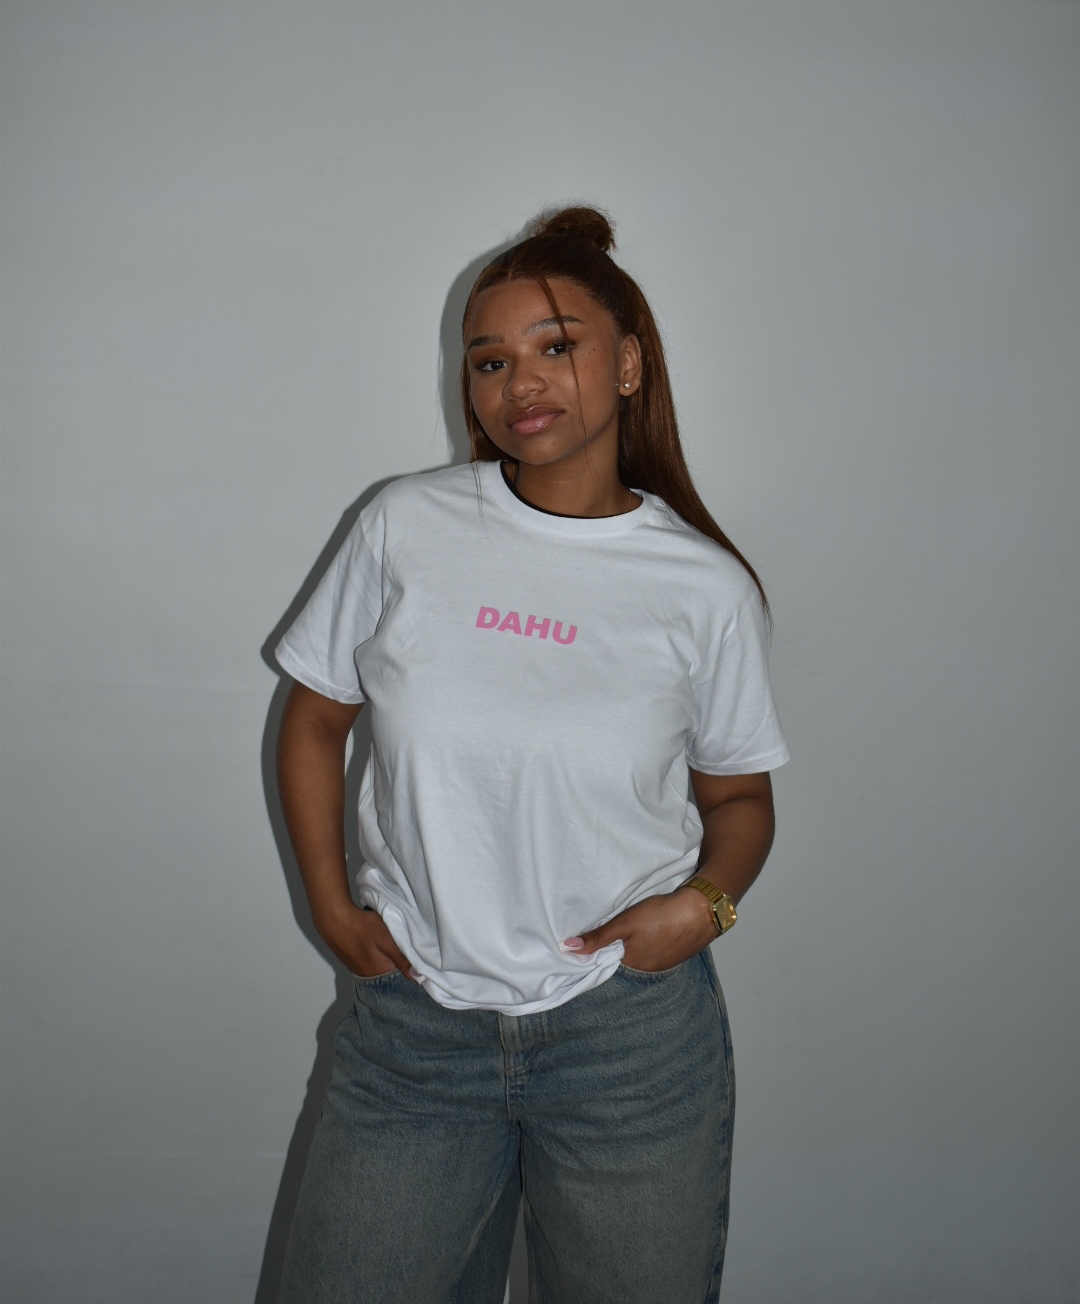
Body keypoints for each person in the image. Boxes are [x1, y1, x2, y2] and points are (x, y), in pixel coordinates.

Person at [272, 206, 789, 1304]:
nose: (522, 383)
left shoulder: (704, 588)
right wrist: (328, 902)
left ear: (629, 364)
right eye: (490, 359)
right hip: (414, 1034)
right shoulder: (405, 526)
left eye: (556, 345)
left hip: (628, 1042)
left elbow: (741, 796)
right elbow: (315, 717)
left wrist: (704, 908)